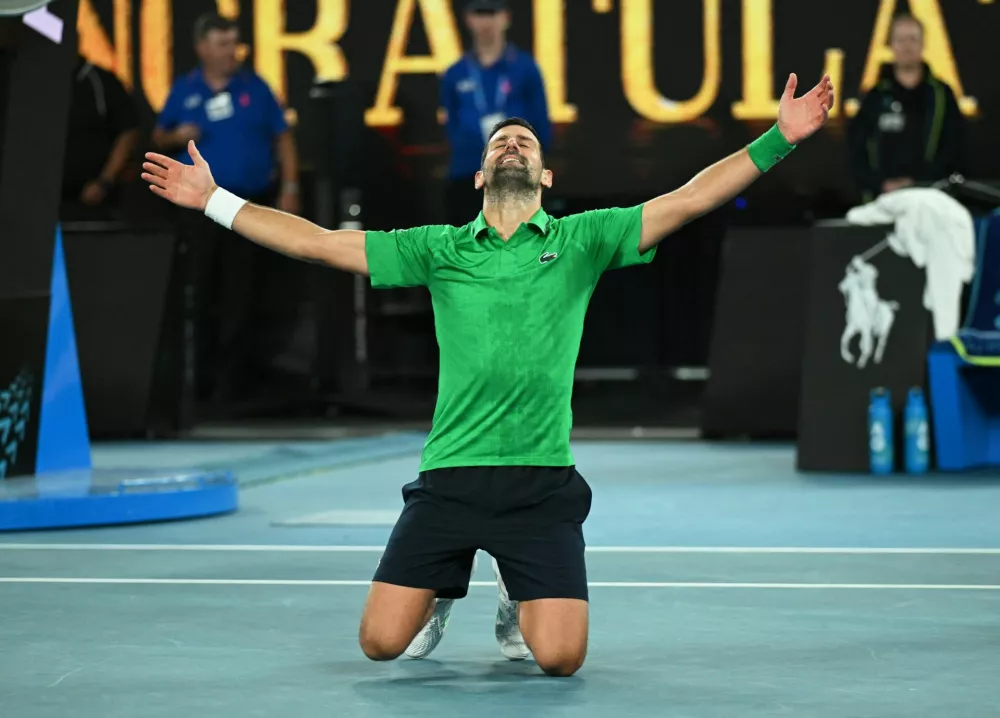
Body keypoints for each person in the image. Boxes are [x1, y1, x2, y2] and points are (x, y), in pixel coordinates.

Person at [141, 72, 834, 677]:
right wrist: (214, 200)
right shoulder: (438, 250)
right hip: (450, 480)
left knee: (560, 659)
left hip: (540, 485)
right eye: (499, 141)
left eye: (525, 142)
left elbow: (688, 199)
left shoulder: (582, 241)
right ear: (478, 176)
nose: (511, 145)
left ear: (546, 176)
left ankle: (512, 583)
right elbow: (319, 245)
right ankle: (443, 592)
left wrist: (780, 139)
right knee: (380, 644)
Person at [152, 12, 301, 411]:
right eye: (221, 44)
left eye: (233, 43)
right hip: (198, 212)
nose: (230, 52)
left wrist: (290, 185)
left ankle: (233, 388)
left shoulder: (255, 88)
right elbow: (157, 136)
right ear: (202, 47)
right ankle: (195, 386)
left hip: (246, 206)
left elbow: (283, 138)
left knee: (244, 294)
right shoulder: (185, 90)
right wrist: (176, 136)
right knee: (199, 293)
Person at [440, 0, 551, 225]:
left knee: (521, 245)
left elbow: (542, 124)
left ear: (505, 17)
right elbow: (451, 124)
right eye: (479, 13)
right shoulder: (455, 73)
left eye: (491, 13)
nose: (486, 21)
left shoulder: (525, 68)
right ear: (468, 19)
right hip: (468, 174)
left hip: (518, 175)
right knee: (467, 246)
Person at [847, 13, 965, 203]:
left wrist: (918, 182)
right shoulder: (874, 97)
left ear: (923, 44)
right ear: (891, 44)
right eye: (900, 39)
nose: (907, 46)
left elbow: (955, 149)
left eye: (913, 39)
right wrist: (881, 184)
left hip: (931, 200)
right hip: (882, 202)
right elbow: (856, 151)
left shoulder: (942, 95)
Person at [61, 54, 139, 220]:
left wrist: (104, 181)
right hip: (40, 198)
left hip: (92, 198)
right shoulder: (30, 80)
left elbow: (128, 131)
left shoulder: (98, 80)